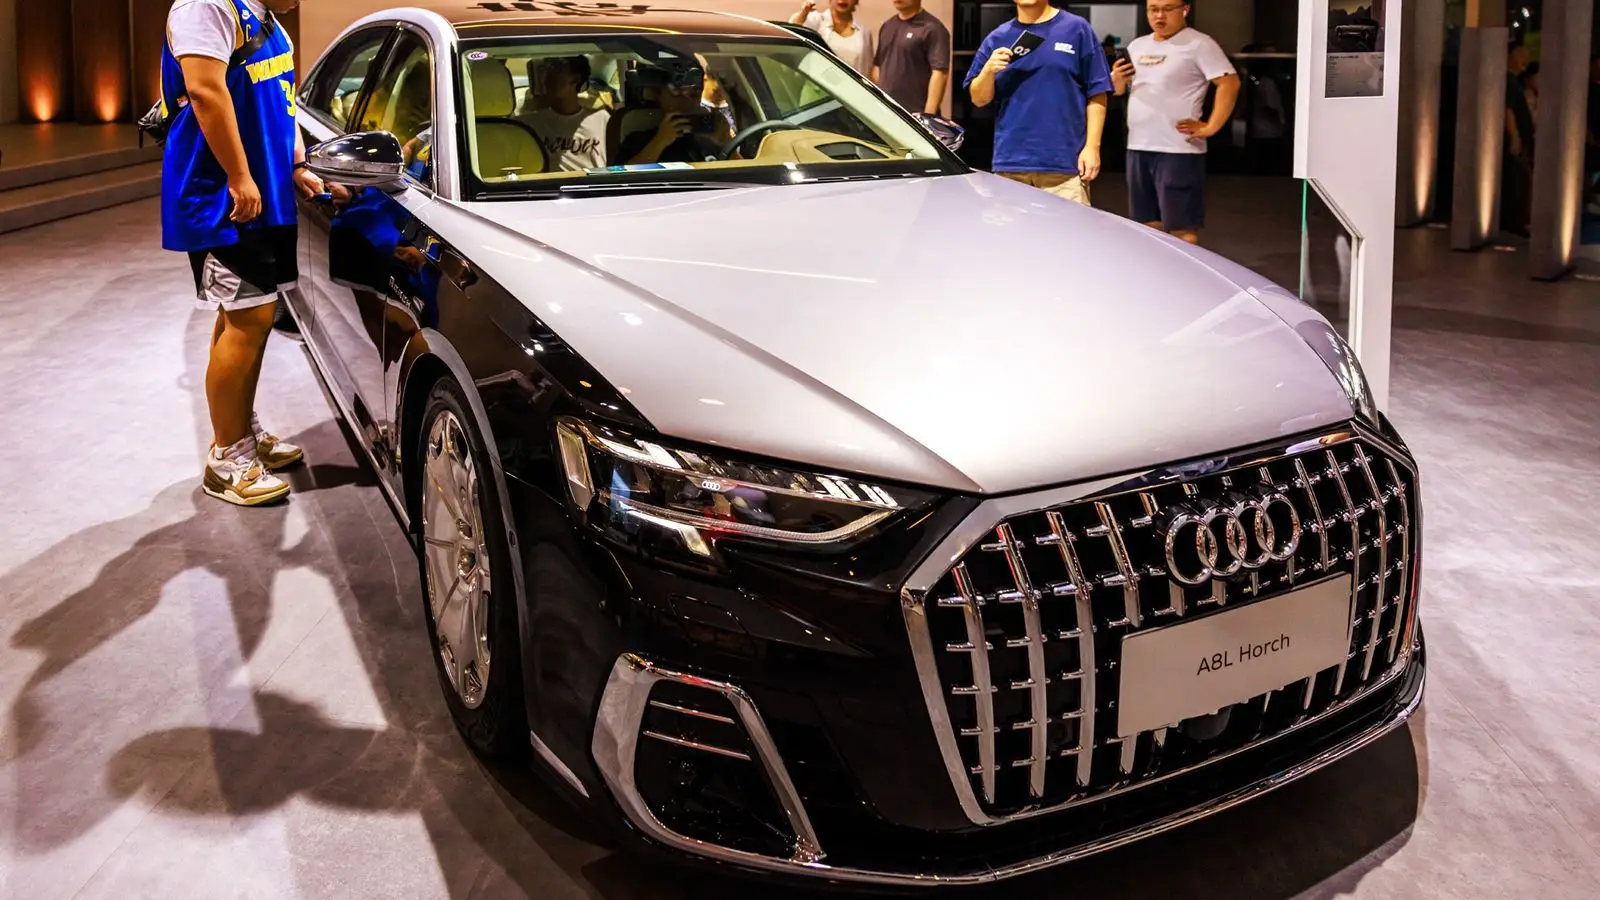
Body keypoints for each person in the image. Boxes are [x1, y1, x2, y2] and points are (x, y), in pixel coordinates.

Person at [161, 0, 320, 506]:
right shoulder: (205, 5)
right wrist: (238, 175)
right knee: (248, 318)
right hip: (223, 197)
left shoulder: (266, 17)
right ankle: (227, 459)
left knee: (248, 315)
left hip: (262, 189)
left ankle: (240, 432)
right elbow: (205, 91)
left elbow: (280, 98)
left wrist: (296, 163)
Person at [1110, 0, 1240, 245]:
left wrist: (1211, 126)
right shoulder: (1138, 45)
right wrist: (1117, 79)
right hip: (1138, 147)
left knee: (1181, 228)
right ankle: (1152, 269)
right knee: (1146, 225)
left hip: (1178, 150)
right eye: (1153, 9)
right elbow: (1121, 90)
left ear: (1185, 10)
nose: (1159, 15)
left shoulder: (1199, 43)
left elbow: (1229, 83)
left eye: (1167, 9)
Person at [965, 1, 1112, 206]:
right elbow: (978, 99)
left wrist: (1092, 148)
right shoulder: (998, 37)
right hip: (1010, 165)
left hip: (1065, 166)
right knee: (1011, 228)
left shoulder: (1077, 29)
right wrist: (988, 70)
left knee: (1069, 228)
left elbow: (1097, 92)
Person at [620, 63, 731, 165]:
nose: (687, 101)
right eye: (677, 93)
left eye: (694, 94)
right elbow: (624, 175)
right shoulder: (638, 140)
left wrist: (726, 143)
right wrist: (660, 141)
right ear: (658, 95)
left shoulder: (711, 134)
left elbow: (739, 171)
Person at [520, 56, 610, 171]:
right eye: (547, 70)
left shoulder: (602, 119)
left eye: (557, 70)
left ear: (575, 80)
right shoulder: (527, 125)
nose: (547, 78)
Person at [872, 0, 952, 116]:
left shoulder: (933, 29)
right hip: (886, 113)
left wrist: (928, 116)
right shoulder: (887, 26)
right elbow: (878, 67)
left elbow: (940, 74)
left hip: (915, 115)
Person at [790, 1, 875, 75]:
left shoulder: (864, 33)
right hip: (818, 86)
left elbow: (868, 71)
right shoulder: (817, 21)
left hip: (851, 88)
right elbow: (793, 30)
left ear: (856, 1)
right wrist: (804, 13)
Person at [1503, 39, 1534, 237]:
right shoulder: (1507, 81)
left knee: (1521, 179)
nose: (1525, 59)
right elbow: (1507, 109)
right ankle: (1515, 221)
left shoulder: (1515, 82)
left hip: (1522, 139)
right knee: (1518, 180)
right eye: (1520, 55)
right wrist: (1514, 136)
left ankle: (1518, 220)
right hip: (1514, 140)